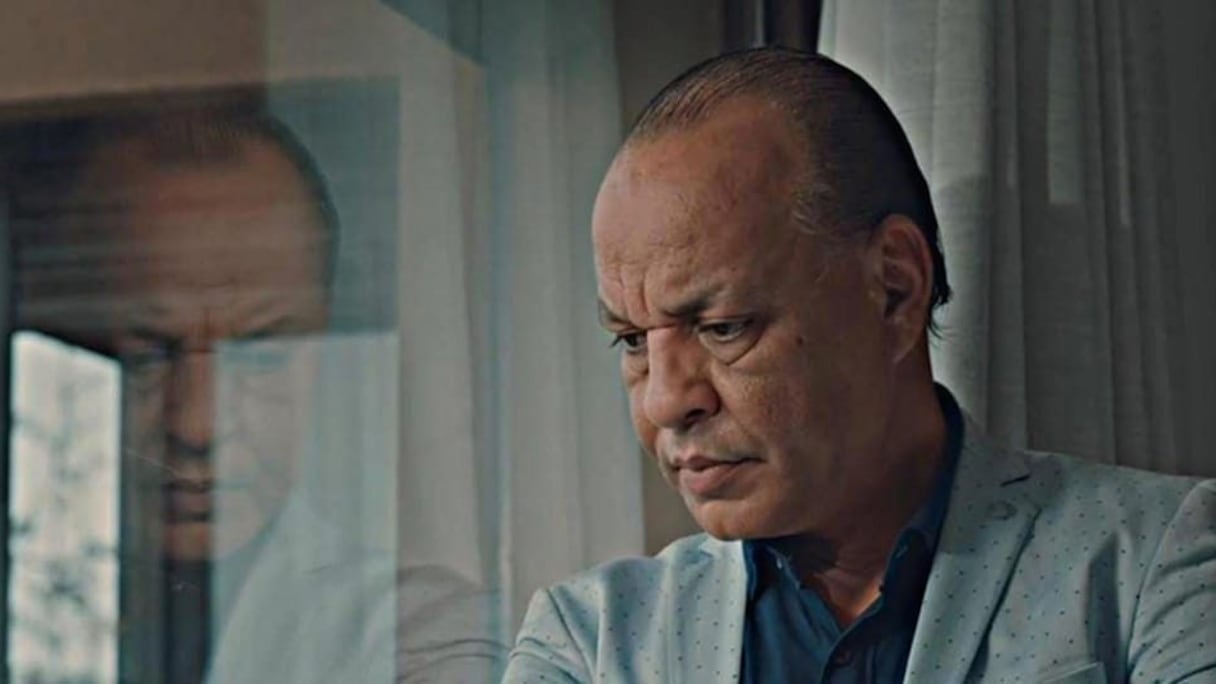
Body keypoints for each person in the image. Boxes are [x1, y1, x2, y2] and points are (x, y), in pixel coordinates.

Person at [505, 48, 1216, 683]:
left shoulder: (1156, 561)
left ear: (894, 288)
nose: (664, 402)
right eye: (632, 341)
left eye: (723, 327)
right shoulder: (589, 643)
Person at [12, 109, 503, 682]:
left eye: (262, 355)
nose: (197, 424)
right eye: (145, 356)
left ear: (327, 357)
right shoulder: (31, 612)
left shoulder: (425, 642)